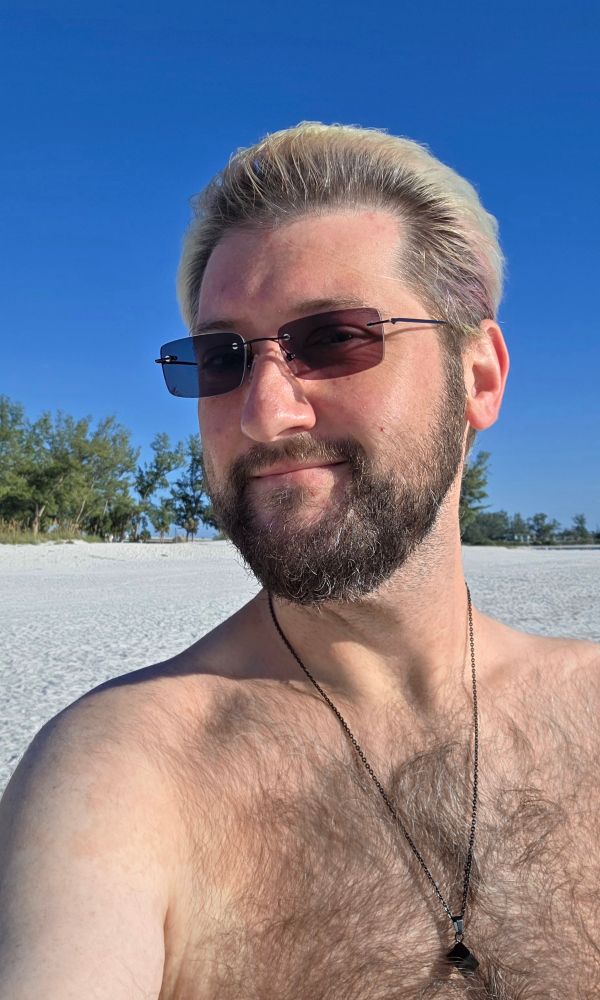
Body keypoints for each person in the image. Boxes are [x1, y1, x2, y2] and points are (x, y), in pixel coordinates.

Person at [1, 123, 598, 999]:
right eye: (219, 358)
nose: (262, 413)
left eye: (334, 339)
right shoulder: (119, 777)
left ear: (478, 379)